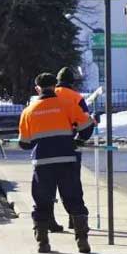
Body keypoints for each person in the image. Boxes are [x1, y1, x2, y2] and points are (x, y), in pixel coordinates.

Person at [18, 72, 95, 254]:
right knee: (74, 199)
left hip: (42, 163)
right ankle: (82, 241)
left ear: (37, 88)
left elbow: (24, 143)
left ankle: (43, 242)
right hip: (67, 160)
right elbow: (86, 127)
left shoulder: (28, 111)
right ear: (55, 86)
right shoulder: (67, 104)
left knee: (42, 202)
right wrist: (76, 140)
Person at [48, 66, 92, 233]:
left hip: (46, 149)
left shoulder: (48, 95)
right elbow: (87, 124)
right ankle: (75, 220)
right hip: (69, 148)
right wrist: (79, 140)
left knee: (48, 187)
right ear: (72, 83)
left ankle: (50, 221)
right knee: (72, 186)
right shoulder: (76, 98)